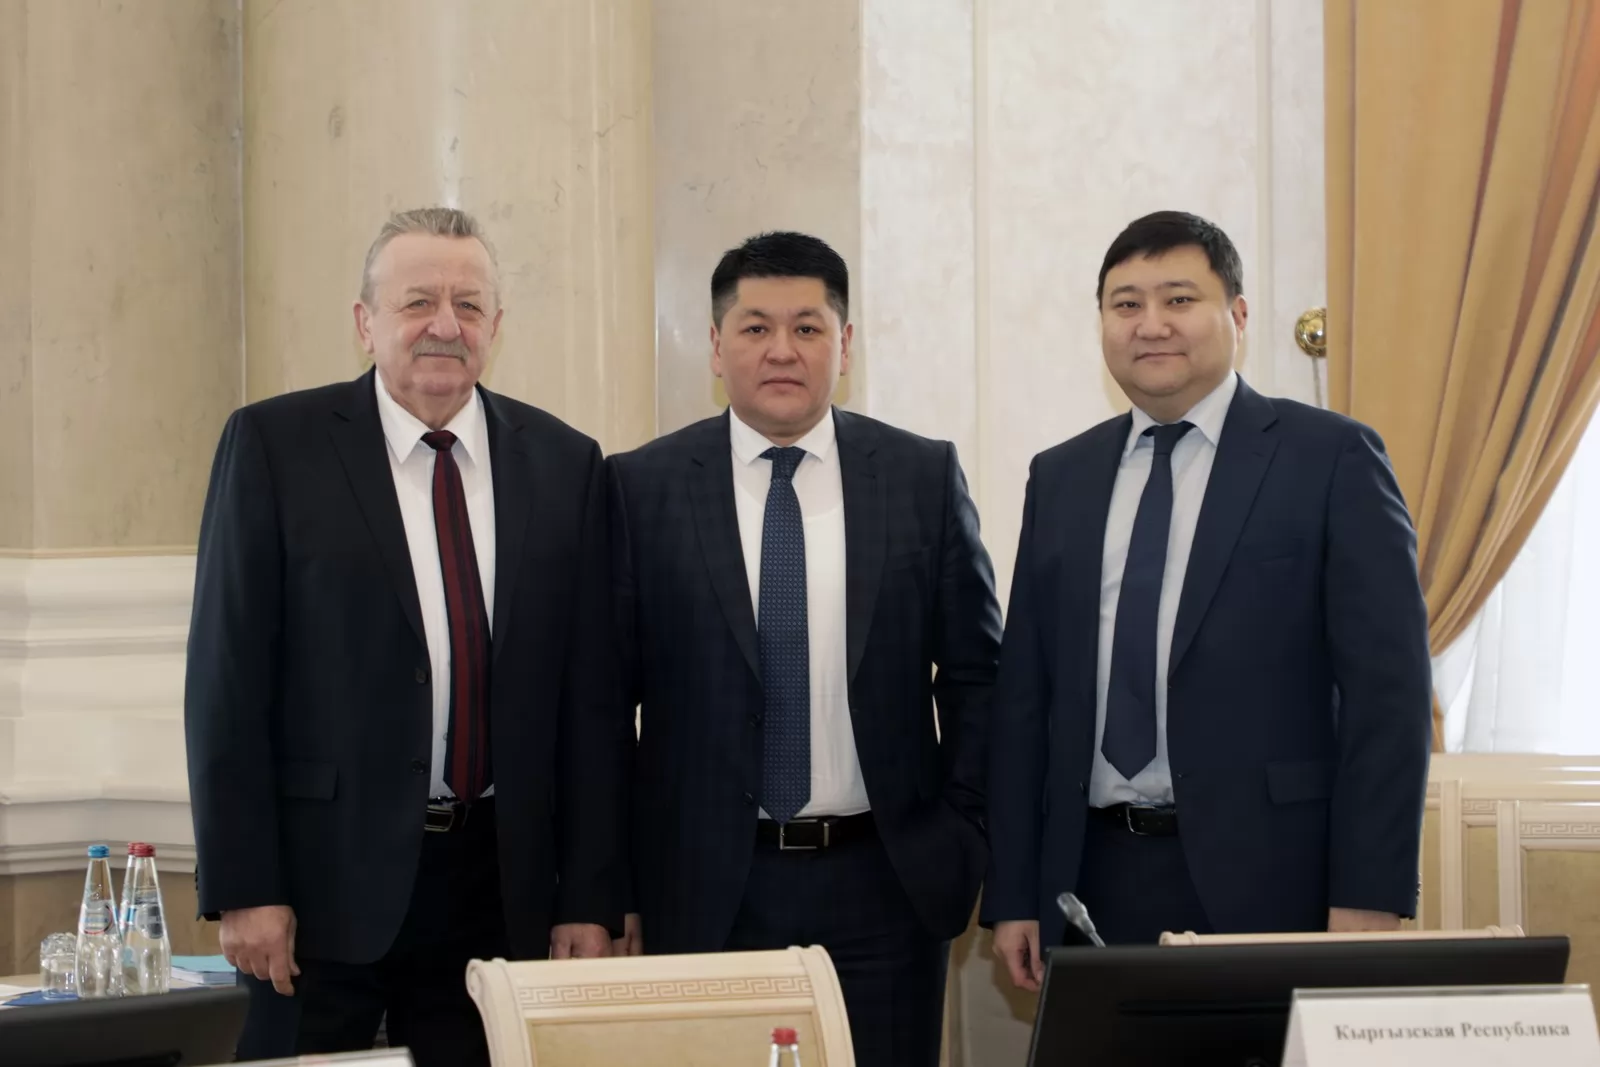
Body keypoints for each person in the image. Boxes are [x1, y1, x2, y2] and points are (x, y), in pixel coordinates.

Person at [184, 207, 628, 1063]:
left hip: (498, 894)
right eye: (418, 301)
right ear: (365, 322)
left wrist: (589, 896)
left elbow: (591, 702)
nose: (444, 325)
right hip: (319, 891)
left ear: (496, 325)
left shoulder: (564, 462)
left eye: (469, 305)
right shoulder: (275, 445)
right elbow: (226, 682)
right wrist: (245, 886)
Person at [984, 210, 1432, 990]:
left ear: (1238, 314)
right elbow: (1026, 697)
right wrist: (1015, 889)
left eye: (1180, 299)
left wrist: (1370, 891)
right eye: (1126, 304)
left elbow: (1388, 698)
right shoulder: (1061, 477)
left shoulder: (1330, 458)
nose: (1151, 324)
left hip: (1278, 879)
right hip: (1092, 877)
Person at [607, 231, 1002, 1066]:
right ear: (715, 346)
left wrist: (962, 830)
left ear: (845, 344)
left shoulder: (921, 477)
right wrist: (612, 887)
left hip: (884, 883)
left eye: (808, 327)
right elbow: (603, 706)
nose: (781, 349)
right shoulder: (639, 487)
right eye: (755, 327)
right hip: (703, 888)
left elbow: (977, 676)